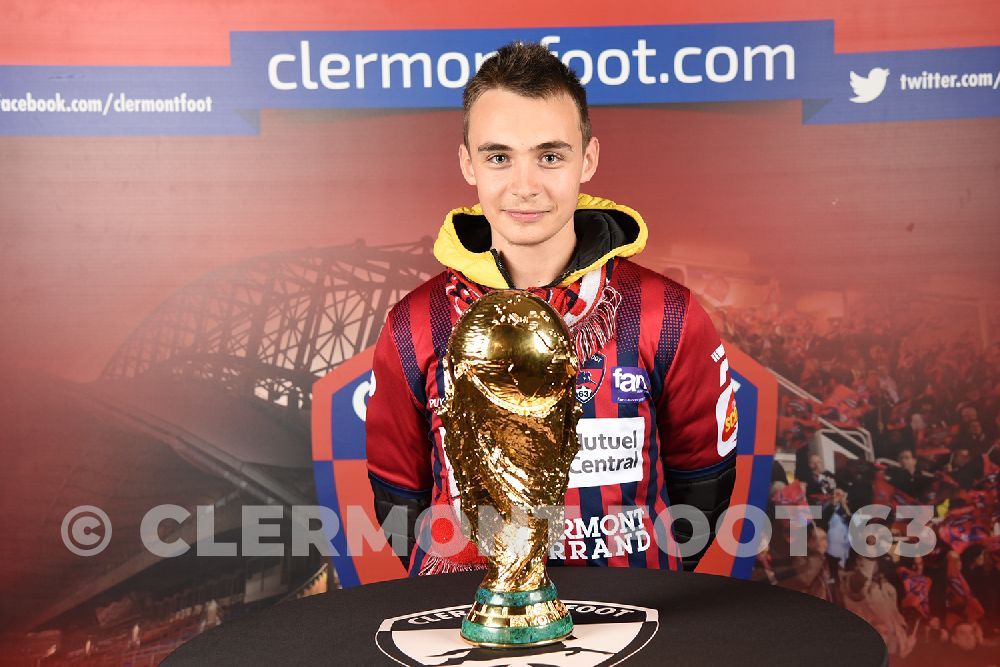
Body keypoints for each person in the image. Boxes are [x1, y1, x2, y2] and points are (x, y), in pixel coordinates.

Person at [365, 41, 739, 576]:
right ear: (468, 163)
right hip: (469, 626)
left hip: (635, 623)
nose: (525, 186)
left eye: (550, 155)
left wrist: (649, 586)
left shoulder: (665, 311)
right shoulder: (417, 322)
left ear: (587, 159)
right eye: (499, 157)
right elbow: (398, 498)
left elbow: (704, 485)